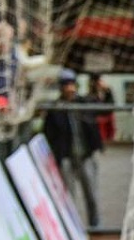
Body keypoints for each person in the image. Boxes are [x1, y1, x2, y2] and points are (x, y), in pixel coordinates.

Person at [44, 69, 104, 228]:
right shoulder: (56, 109)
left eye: (72, 85)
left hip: (85, 155)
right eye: (66, 85)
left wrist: (101, 89)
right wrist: (57, 154)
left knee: (91, 193)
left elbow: (103, 108)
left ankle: (95, 225)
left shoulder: (84, 103)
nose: (70, 88)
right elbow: (49, 133)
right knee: (68, 196)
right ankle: (71, 227)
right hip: (67, 157)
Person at [86, 73, 117, 143]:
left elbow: (109, 107)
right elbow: (105, 109)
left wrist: (108, 91)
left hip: (103, 133)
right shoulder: (91, 98)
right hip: (96, 132)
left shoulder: (99, 97)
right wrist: (108, 91)